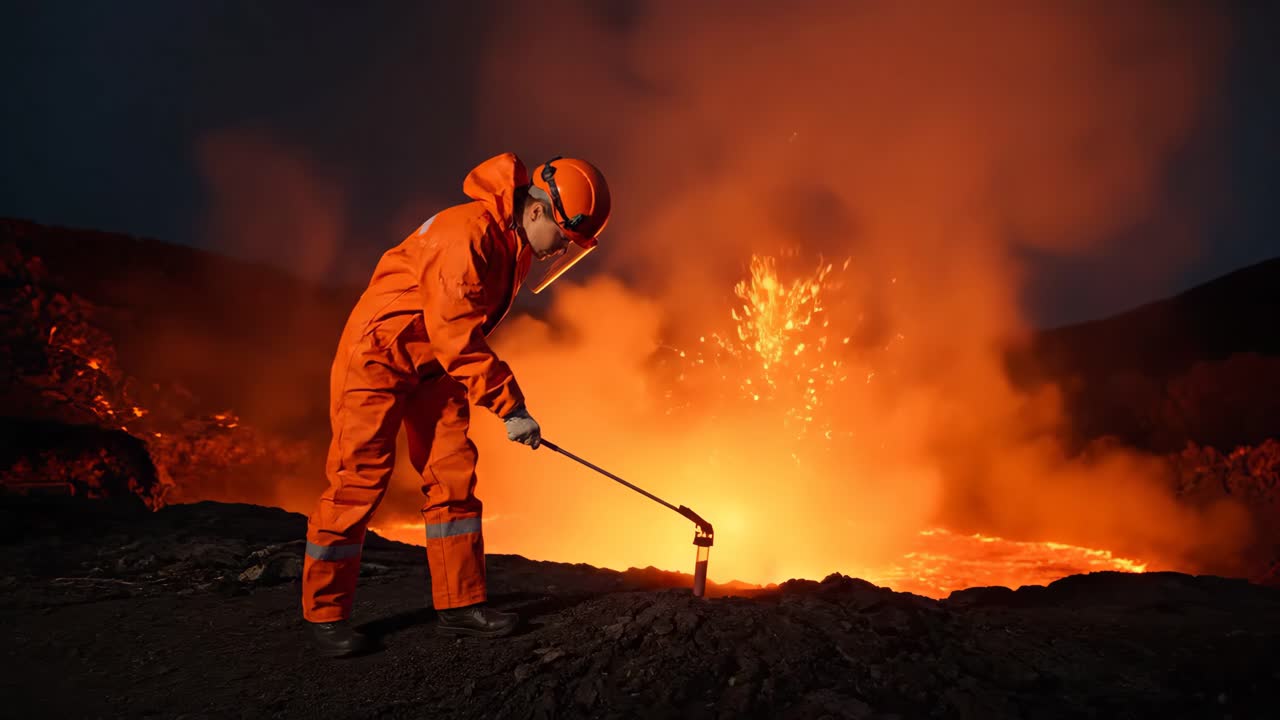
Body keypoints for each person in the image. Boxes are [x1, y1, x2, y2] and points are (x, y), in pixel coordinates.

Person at [301, 152, 611, 657]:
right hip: (378, 358)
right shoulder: (467, 235)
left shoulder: (511, 240)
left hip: (432, 363)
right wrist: (511, 408)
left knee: (452, 477)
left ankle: (460, 605)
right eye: (565, 239)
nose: (561, 252)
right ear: (537, 212)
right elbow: (456, 338)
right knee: (357, 479)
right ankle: (325, 613)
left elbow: (452, 339)